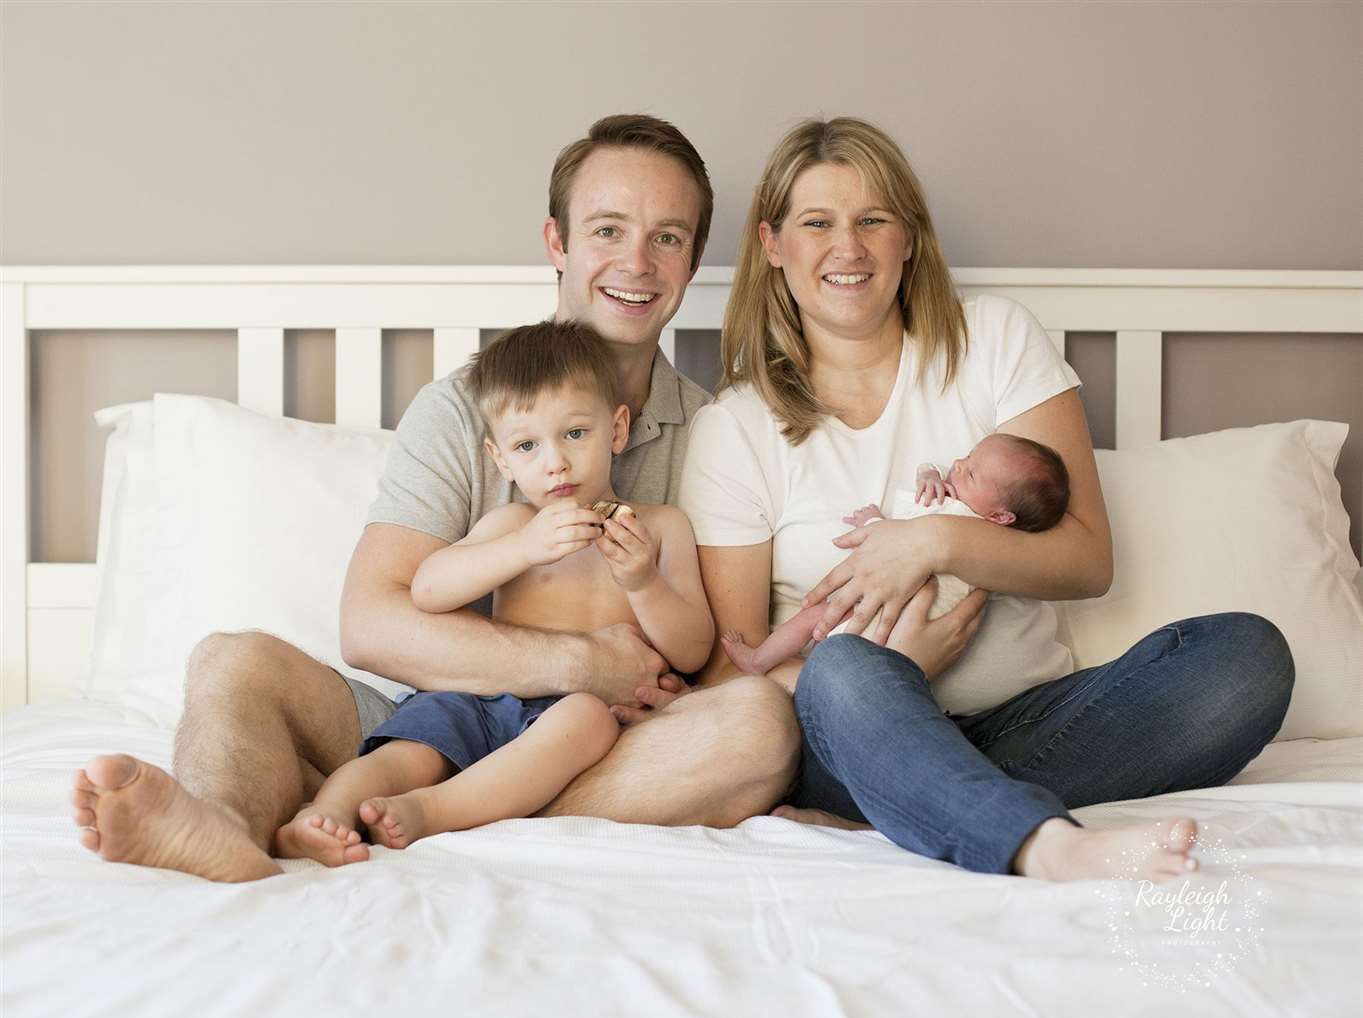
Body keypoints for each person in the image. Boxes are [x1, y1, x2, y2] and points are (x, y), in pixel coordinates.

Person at [70, 115, 797, 882]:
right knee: (231, 660)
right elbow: (373, 622)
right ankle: (221, 829)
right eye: (608, 230)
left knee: (756, 727)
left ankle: (420, 812)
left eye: (668, 238)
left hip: (609, 740)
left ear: (691, 262)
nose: (637, 263)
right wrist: (579, 661)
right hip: (441, 716)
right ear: (557, 243)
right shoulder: (463, 408)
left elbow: (717, 657)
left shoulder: (713, 431)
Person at [676, 117, 1293, 884]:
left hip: (1030, 725)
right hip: (843, 733)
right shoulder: (734, 425)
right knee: (843, 669)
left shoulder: (994, 339)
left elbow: (1084, 560)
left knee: (1243, 656)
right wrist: (899, 667)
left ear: (909, 237)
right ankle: (1041, 844)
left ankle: (909, 805)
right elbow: (729, 679)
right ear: (773, 245)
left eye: (874, 219)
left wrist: (935, 542)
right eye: (817, 223)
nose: (849, 247)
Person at [275, 320, 714, 859]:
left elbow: (693, 649)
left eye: (575, 433)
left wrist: (644, 583)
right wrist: (522, 549)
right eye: (527, 445)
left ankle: (431, 811)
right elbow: (427, 590)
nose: (555, 462)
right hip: (480, 693)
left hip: (572, 714)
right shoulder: (511, 525)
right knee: (411, 750)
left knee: (586, 720)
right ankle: (323, 814)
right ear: (501, 459)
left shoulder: (661, 526)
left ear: (617, 429)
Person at [721, 432, 1069, 676]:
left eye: (972, 472)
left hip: (886, 620)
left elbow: (897, 537)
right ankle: (771, 667)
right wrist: (932, 474)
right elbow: (905, 542)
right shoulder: (988, 532)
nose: (959, 465)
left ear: (1001, 516)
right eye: (968, 455)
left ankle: (759, 661)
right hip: (893, 626)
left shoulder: (959, 519)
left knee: (814, 617)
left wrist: (873, 519)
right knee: (822, 632)